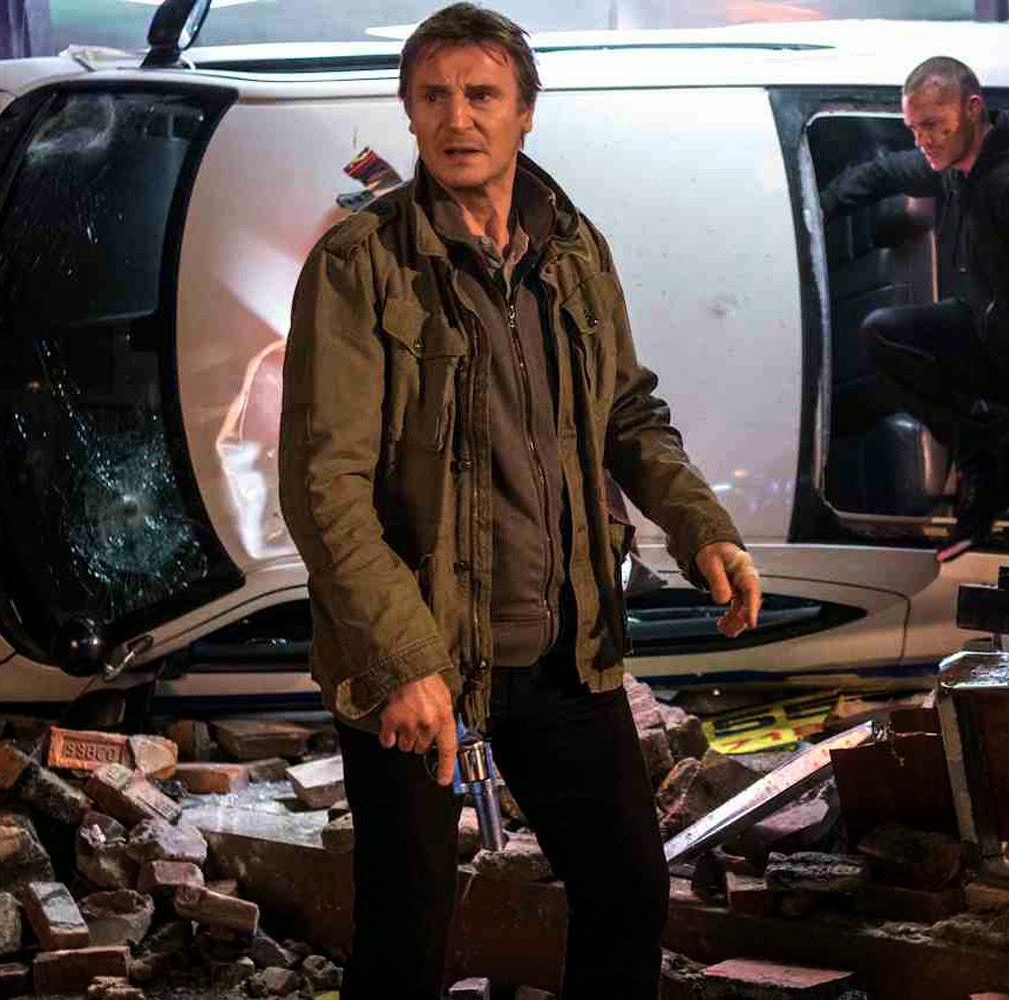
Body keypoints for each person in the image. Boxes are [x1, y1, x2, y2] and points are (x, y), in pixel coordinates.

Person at [277, 6, 762, 997]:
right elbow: (325, 485)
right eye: (434, 96)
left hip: (561, 642)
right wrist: (402, 660)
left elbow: (628, 413)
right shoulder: (360, 265)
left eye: (481, 95)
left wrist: (701, 527)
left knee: (627, 891)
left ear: (525, 112)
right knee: (407, 929)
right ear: (409, 113)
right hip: (420, 650)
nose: (457, 117)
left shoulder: (574, 252)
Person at [821, 56, 1009, 564]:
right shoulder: (953, 168)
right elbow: (882, 172)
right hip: (1002, 340)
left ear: (972, 109)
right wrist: (817, 209)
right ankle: (982, 452)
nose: (924, 140)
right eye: (914, 128)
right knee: (885, 333)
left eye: (934, 126)